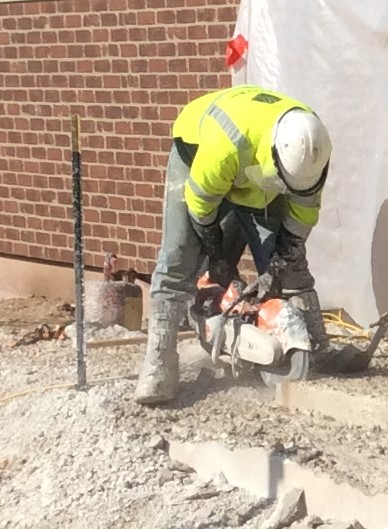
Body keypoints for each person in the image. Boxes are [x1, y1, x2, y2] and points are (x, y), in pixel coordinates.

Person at [134, 84, 332, 405]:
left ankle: (318, 346)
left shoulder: (311, 151)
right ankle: (159, 362)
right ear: (274, 159)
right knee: (179, 256)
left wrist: (275, 272)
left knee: (290, 263)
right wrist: (217, 255)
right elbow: (201, 209)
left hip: (258, 174)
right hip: (197, 151)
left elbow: (297, 229)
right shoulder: (224, 148)